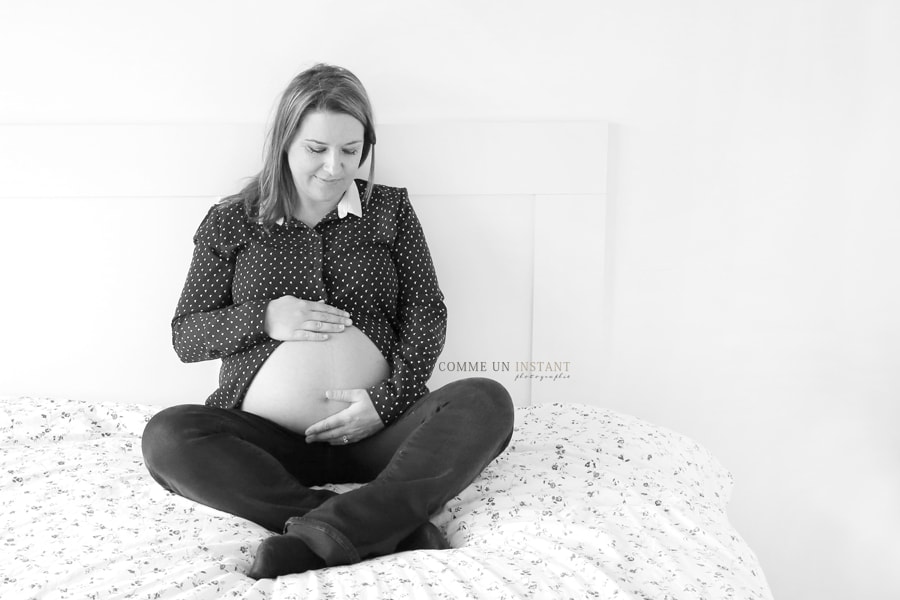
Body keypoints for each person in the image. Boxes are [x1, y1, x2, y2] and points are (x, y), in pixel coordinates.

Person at [141, 63, 515, 579]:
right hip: (268, 447)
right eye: (317, 149)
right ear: (285, 142)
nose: (335, 167)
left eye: (351, 149)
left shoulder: (391, 211)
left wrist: (385, 404)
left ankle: (322, 534)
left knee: (485, 400)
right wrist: (264, 317)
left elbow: (426, 311)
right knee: (168, 435)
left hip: (380, 436)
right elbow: (187, 335)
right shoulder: (231, 221)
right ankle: (385, 526)